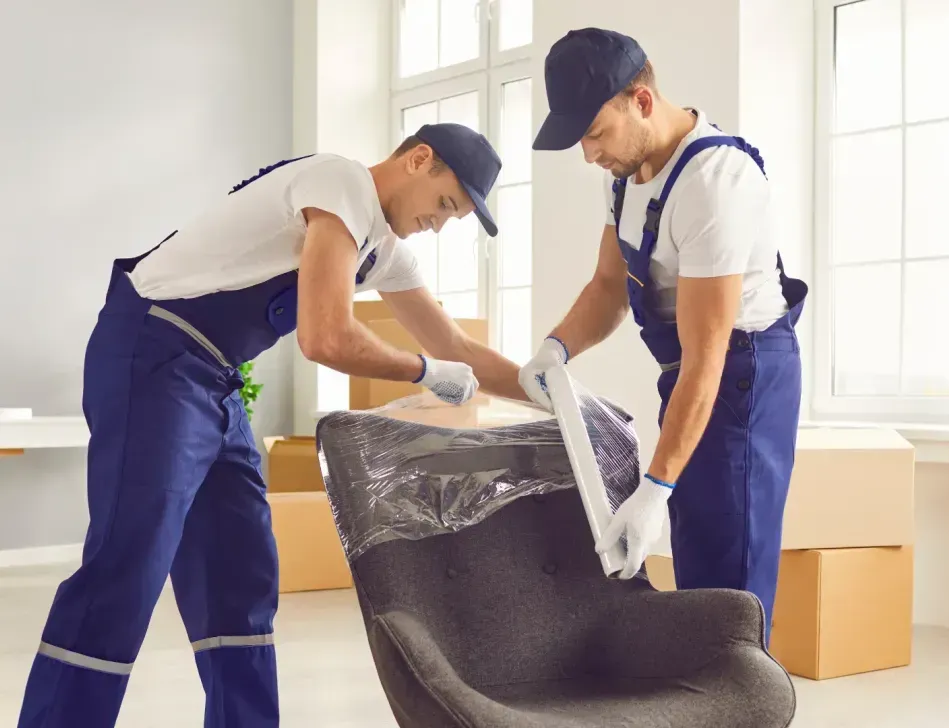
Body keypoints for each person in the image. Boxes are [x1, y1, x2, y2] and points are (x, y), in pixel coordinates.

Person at [18, 123, 525, 728]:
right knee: (130, 561)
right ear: (419, 159)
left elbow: (457, 345)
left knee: (241, 571)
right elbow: (325, 335)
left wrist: (554, 391)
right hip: (153, 352)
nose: (438, 223)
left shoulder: (382, 249)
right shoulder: (339, 182)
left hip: (213, 376)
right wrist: (422, 371)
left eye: (454, 218)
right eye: (444, 204)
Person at [521, 28, 808, 642]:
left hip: (745, 373)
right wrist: (557, 347)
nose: (588, 154)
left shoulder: (715, 180)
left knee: (731, 581)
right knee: (698, 561)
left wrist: (654, 488)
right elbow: (608, 286)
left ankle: (746, 702)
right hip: (693, 374)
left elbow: (709, 356)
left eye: (594, 134)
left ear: (641, 100)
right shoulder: (625, 173)